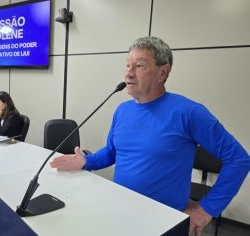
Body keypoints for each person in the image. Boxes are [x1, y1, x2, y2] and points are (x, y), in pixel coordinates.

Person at [50, 36, 250, 236]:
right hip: (119, 213)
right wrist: (85, 161)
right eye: (128, 65)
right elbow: (111, 153)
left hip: (165, 223)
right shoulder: (122, 110)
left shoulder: (189, 112)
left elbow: (239, 160)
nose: (128, 73)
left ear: (163, 72)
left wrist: (206, 208)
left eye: (139, 66)